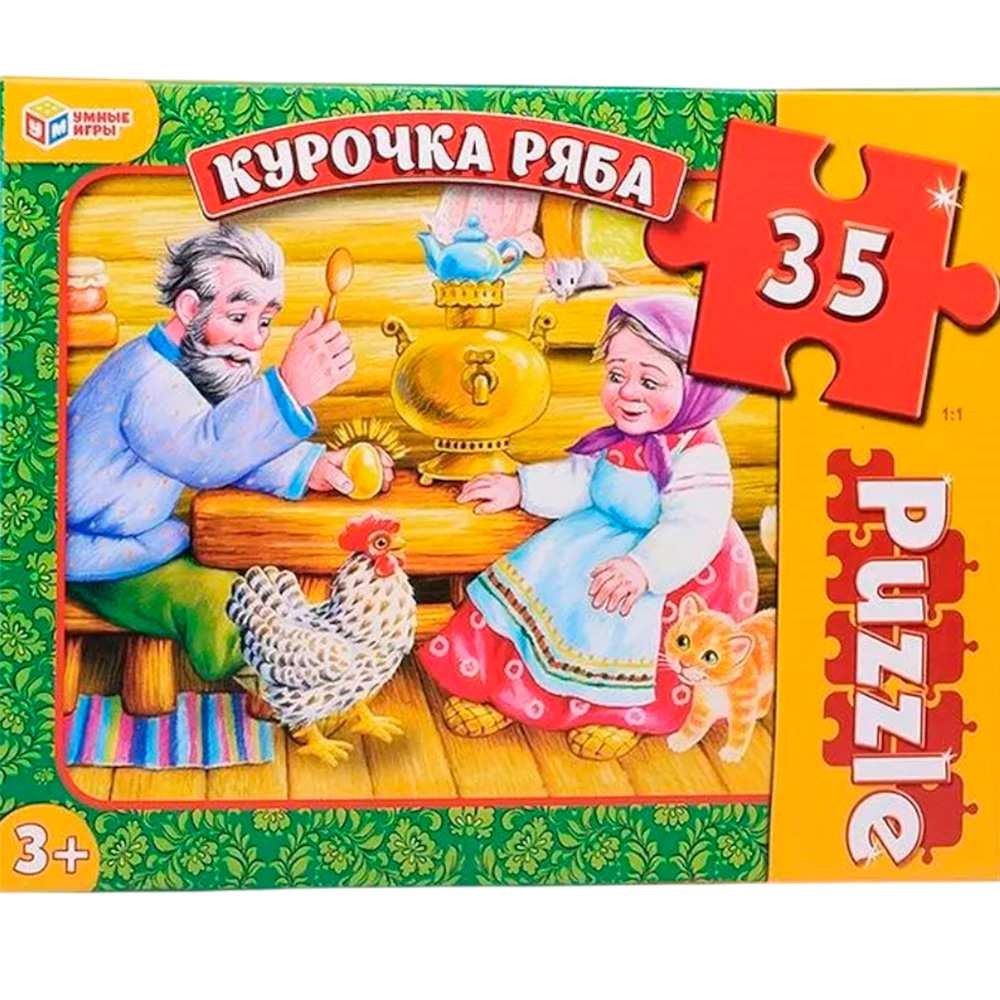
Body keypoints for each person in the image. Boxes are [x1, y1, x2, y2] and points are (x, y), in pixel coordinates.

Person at [417, 295, 758, 760]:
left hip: (665, 561)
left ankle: (614, 715)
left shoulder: (697, 454)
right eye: (616, 375)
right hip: (596, 536)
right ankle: (502, 693)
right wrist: (522, 488)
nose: (628, 392)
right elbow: (582, 480)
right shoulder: (618, 439)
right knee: (541, 578)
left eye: (649, 381)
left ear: (699, 388)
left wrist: (643, 569)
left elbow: (694, 527)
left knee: (612, 617)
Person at [66, 223, 393, 684]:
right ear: (189, 307)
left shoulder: (191, 366)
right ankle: (282, 687)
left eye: (264, 322)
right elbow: (207, 451)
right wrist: (288, 390)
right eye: (238, 317)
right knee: (226, 601)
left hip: (137, 543)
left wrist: (308, 466)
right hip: (97, 559)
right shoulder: (149, 380)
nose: (254, 340)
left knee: (260, 591)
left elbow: (226, 434)